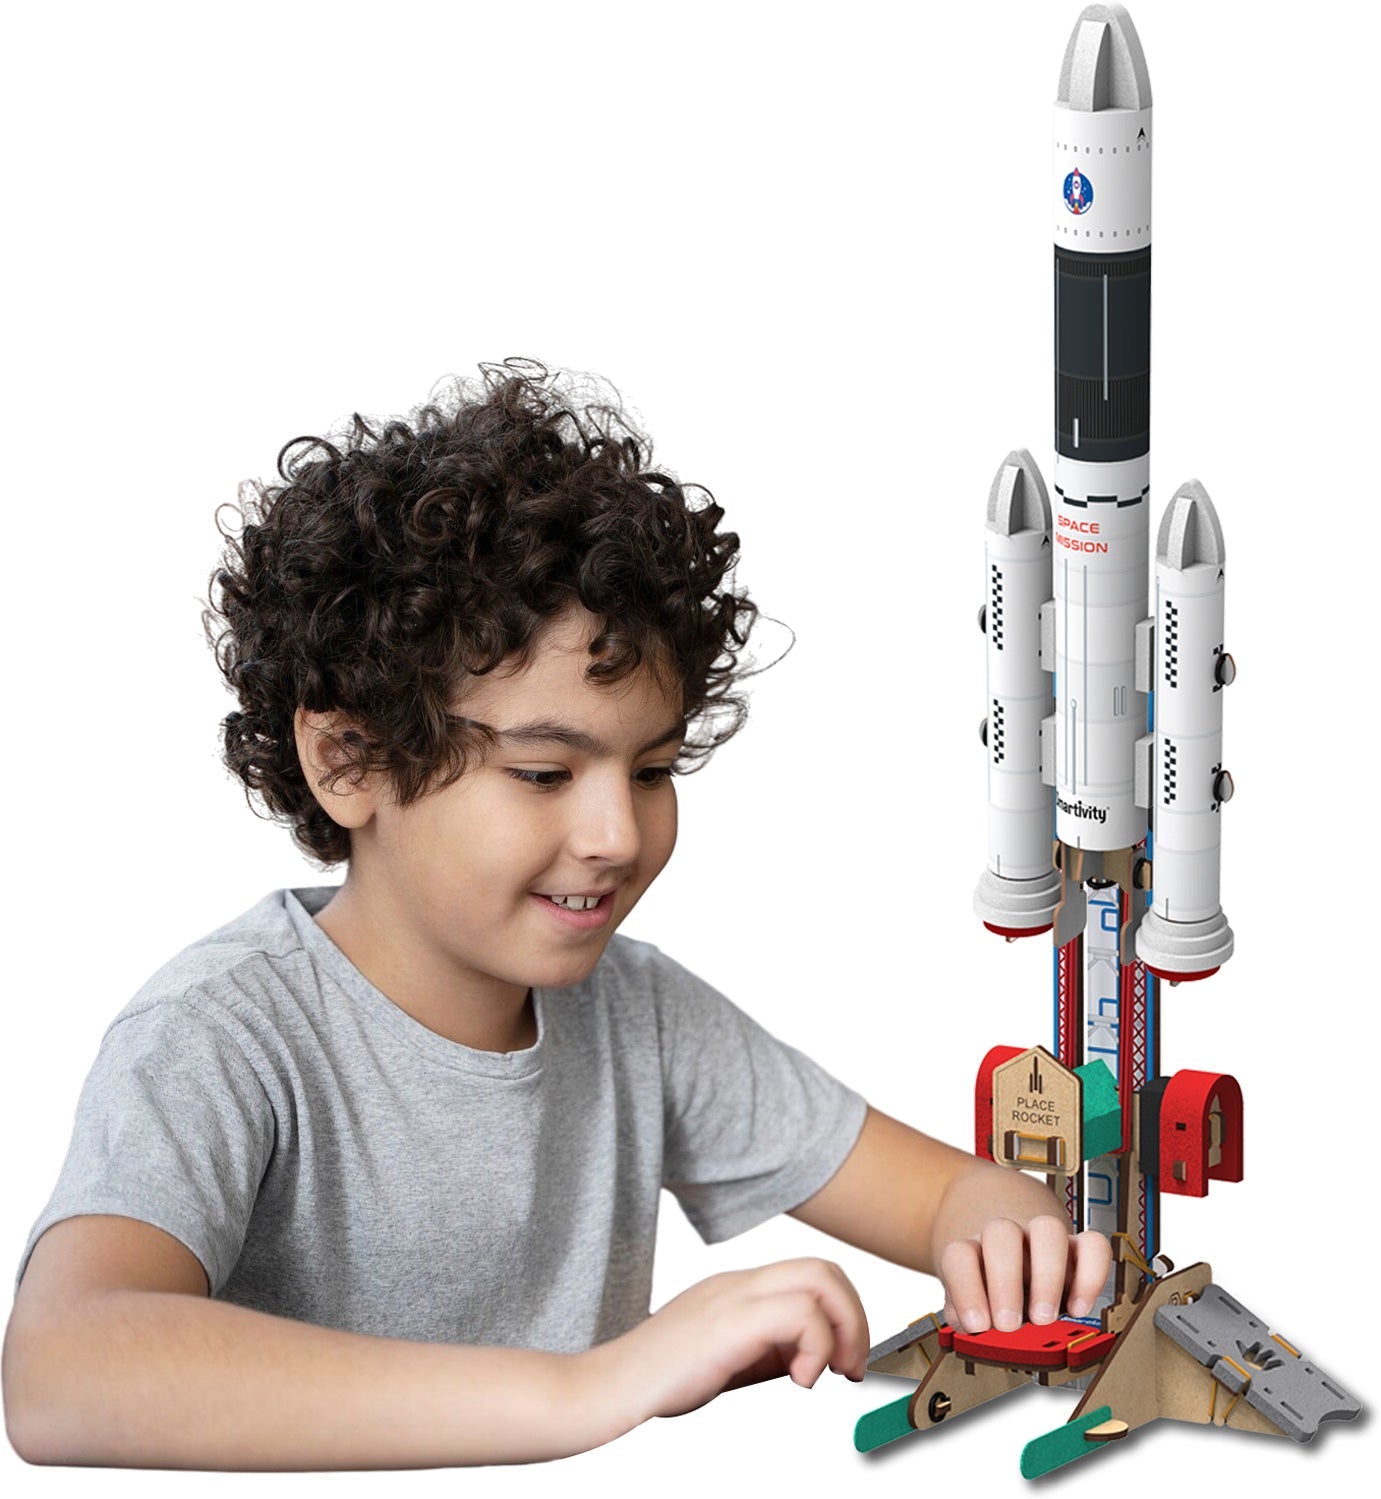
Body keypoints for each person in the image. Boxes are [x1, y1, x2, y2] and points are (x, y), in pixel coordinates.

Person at [3, 360, 1109, 1469]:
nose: (617, 834)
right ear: (348, 760)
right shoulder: (221, 1035)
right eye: (542, 773)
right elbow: (60, 1371)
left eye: (652, 769)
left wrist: (993, 1221)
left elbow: (946, 1193)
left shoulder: (639, 1013)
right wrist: (591, 1384)